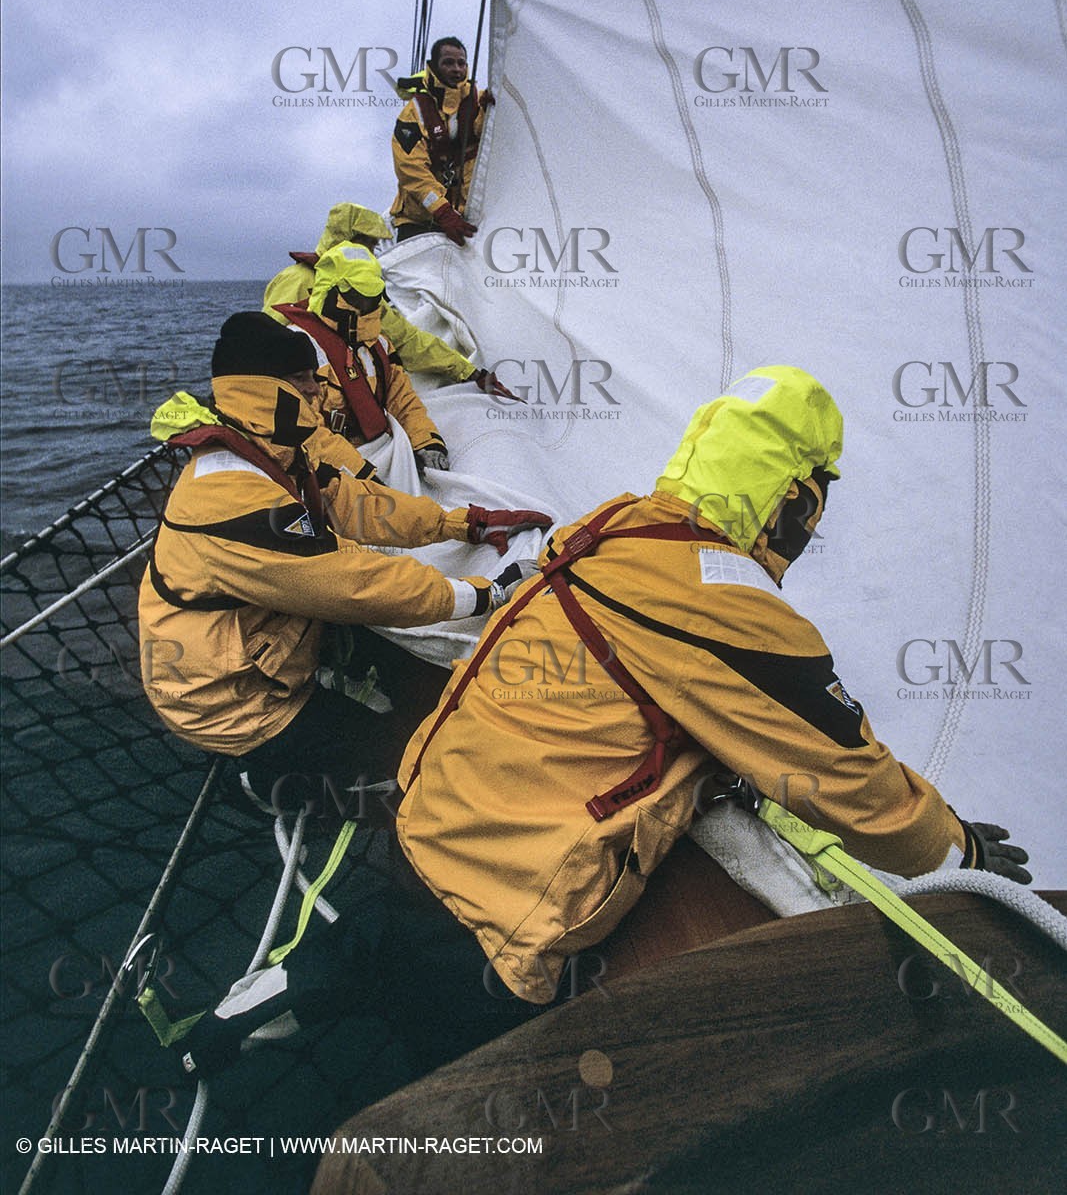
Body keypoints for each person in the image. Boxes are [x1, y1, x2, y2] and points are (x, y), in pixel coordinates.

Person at [181, 365, 1029, 1081]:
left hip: (426, 817)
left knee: (375, 952)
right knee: (468, 1075)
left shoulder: (612, 527)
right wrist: (957, 850)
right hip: (500, 911)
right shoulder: (729, 607)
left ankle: (225, 1029)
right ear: (792, 502)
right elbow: (848, 779)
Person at [137, 311, 550, 806]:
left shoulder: (274, 454)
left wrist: (462, 523)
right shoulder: (231, 497)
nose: (317, 389)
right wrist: (489, 593)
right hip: (231, 698)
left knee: (421, 684)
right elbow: (354, 583)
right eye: (301, 379)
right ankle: (255, 783)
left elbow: (358, 504)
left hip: (269, 643)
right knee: (410, 767)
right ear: (260, 390)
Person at [263, 199, 515, 398]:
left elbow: (409, 341)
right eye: (369, 244)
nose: (372, 253)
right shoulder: (297, 280)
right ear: (348, 240)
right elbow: (267, 346)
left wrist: (471, 373)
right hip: (306, 400)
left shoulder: (367, 297)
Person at [270, 243, 454, 475]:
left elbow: (402, 399)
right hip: (331, 469)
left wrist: (427, 442)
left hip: (379, 452)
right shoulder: (299, 347)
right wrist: (360, 471)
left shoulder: (379, 344)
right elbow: (304, 431)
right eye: (357, 296)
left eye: (371, 297)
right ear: (330, 292)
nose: (365, 306)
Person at [389, 36, 491, 245]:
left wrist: (498, 109)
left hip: (464, 220)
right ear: (434, 66)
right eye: (448, 63)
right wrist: (442, 211)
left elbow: (493, 139)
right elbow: (411, 171)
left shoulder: (480, 104)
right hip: (418, 221)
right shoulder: (413, 114)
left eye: (461, 63)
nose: (456, 69)